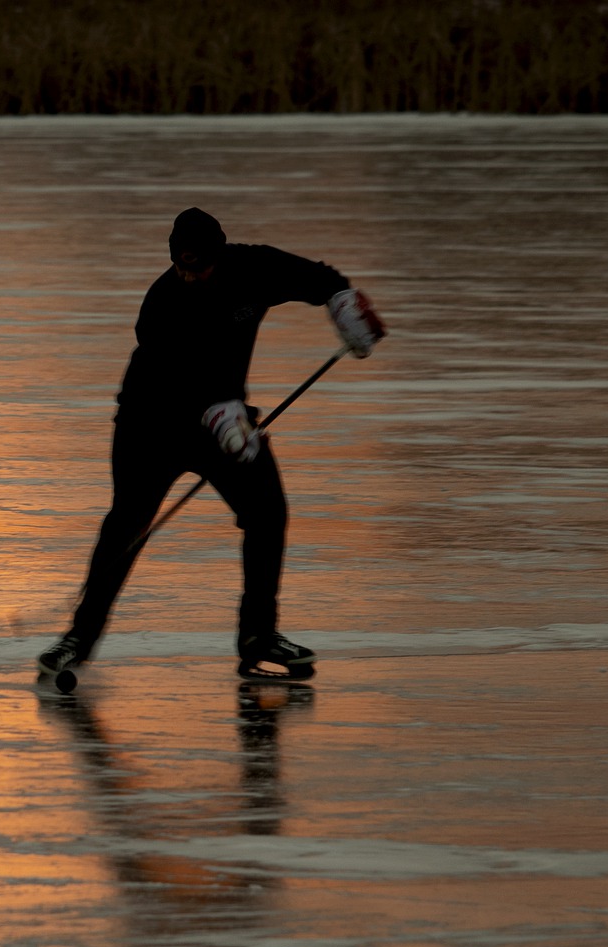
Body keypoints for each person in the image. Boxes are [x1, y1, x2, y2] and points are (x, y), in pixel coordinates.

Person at [38, 207, 382, 683]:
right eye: (182, 267)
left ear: (220, 254)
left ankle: (258, 636)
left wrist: (343, 303)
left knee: (266, 513)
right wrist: (220, 413)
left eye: (199, 267)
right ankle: (79, 637)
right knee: (128, 525)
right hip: (150, 422)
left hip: (225, 416)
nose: (190, 275)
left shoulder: (254, 268)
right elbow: (172, 374)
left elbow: (318, 278)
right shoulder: (162, 301)